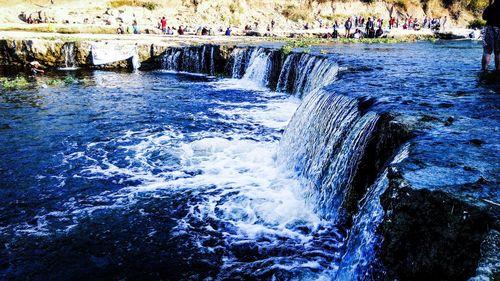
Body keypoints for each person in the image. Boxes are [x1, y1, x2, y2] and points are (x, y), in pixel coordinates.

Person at [482, 0, 500, 70]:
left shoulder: (491, 7)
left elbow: (484, 17)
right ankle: (498, 70)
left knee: (487, 51)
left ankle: (484, 70)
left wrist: (489, 4)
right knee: (498, 52)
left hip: (489, 28)